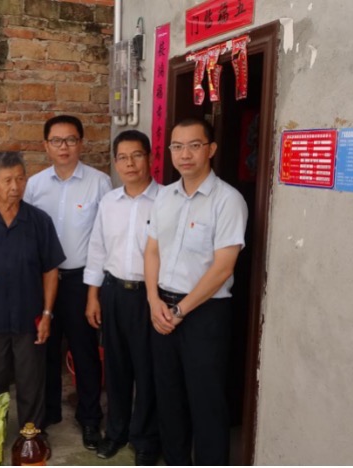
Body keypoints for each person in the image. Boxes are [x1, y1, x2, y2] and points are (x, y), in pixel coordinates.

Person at [144, 117, 248, 465]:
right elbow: (152, 251)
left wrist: (180, 311)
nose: (184, 154)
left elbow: (223, 268)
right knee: (168, 397)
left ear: (211, 149)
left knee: (207, 401)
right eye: (177, 146)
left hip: (205, 314)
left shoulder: (227, 200)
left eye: (194, 145)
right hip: (162, 308)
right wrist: (153, 300)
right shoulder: (164, 196)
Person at [0, 152, 65, 431]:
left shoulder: (39, 221)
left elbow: (50, 270)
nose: (15, 186)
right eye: (7, 180)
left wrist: (47, 314)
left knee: (32, 382)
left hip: (30, 317)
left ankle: (31, 438)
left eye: (20, 179)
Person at [24, 115, 111, 450]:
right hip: (43, 281)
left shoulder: (99, 183)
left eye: (71, 140)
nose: (64, 147)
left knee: (84, 351)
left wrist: (95, 292)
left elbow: (103, 239)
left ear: (81, 143)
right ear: (46, 145)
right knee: (43, 350)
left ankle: (89, 419)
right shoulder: (35, 185)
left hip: (80, 281)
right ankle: (46, 415)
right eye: (57, 141)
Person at [83, 130, 161, 465]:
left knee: (147, 370)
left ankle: (145, 439)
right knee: (115, 369)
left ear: (150, 157)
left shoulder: (167, 200)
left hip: (150, 296)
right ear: (116, 163)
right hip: (113, 293)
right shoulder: (109, 203)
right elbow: (97, 249)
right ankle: (116, 433)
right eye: (123, 158)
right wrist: (93, 296)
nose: (130, 164)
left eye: (137, 155)